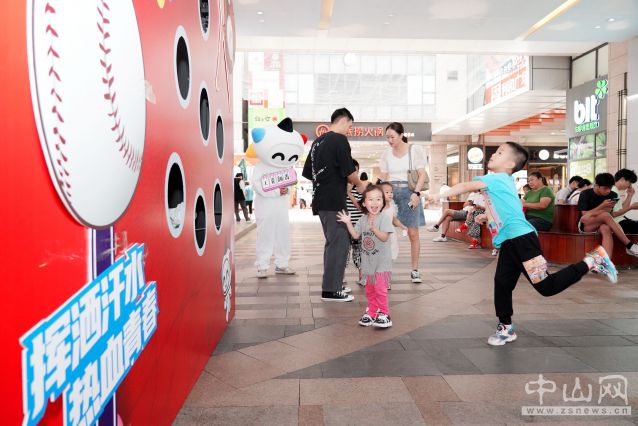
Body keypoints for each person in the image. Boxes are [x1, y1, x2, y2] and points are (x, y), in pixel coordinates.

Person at [430, 142, 619, 346]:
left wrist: (437, 195)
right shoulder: (501, 183)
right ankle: (505, 328)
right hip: (510, 242)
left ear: (510, 164)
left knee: (546, 286)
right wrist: (488, 218)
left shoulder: (497, 178)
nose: (493, 154)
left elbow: (465, 186)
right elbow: (501, 207)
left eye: (500, 152)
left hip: (522, 240)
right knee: (502, 283)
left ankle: (594, 260)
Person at [302, 108, 367, 302]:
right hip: (333, 200)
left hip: (321, 199)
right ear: (344, 120)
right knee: (339, 243)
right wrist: (360, 185)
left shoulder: (317, 142)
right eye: (350, 126)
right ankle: (331, 290)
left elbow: (308, 172)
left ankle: (334, 284)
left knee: (334, 242)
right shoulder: (339, 139)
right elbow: (349, 171)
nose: (349, 130)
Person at [250, 118, 305, 278]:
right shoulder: (261, 166)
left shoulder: (287, 167)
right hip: (265, 207)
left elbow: (290, 184)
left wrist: (286, 190)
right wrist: (276, 192)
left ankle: (282, 264)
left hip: (281, 207)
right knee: (265, 235)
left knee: (283, 235)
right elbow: (257, 185)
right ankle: (262, 265)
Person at [337, 185, 394, 328]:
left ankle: (385, 314)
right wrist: (348, 222)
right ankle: (372, 312)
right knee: (370, 290)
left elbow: (384, 237)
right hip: (368, 263)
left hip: (382, 263)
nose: (375, 203)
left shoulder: (384, 218)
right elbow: (356, 235)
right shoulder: (362, 220)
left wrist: (374, 229)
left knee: (380, 289)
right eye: (370, 199)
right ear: (364, 203)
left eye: (378, 199)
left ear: (383, 202)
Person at [378, 122, 427, 284]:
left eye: (392, 137)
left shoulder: (414, 150)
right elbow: (383, 176)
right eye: (387, 137)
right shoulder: (386, 153)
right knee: (385, 232)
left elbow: (422, 174)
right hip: (390, 194)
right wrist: (376, 193)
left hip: (409, 192)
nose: (389, 140)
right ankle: (384, 271)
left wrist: (416, 193)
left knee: (413, 233)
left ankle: (415, 270)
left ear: (401, 135)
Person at [577, 173, 638, 258]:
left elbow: (611, 214)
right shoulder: (585, 194)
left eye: (610, 188)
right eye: (605, 188)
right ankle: (629, 245)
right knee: (605, 214)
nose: (608, 191)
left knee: (605, 228)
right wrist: (602, 206)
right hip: (586, 224)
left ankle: (606, 261)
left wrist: (629, 204)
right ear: (597, 185)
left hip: (602, 223)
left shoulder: (613, 195)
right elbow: (585, 215)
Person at [380, 182, 408, 289]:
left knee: (390, 257)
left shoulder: (391, 205)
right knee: (381, 258)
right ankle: (380, 279)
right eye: (386, 192)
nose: (390, 194)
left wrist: (403, 226)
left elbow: (394, 220)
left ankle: (386, 279)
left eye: (391, 192)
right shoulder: (378, 207)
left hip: (391, 236)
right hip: (381, 236)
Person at [346, 160, 364, 285]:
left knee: (359, 251)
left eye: (356, 171)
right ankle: (340, 277)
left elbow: (361, 207)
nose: (354, 174)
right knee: (344, 252)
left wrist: (349, 193)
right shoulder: (340, 187)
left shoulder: (360, 188)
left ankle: (362, 277)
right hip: (344, 226)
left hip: (358, 226)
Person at [612, 169, 638, 234]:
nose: (630, 186)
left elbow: (621, 209)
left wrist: (630, 195)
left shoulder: (615, 190)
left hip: (620, 220)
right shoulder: (613, 192)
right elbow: (613, 214)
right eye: (629, 182)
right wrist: (631, 207)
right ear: (622, 179)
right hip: (616, 223)